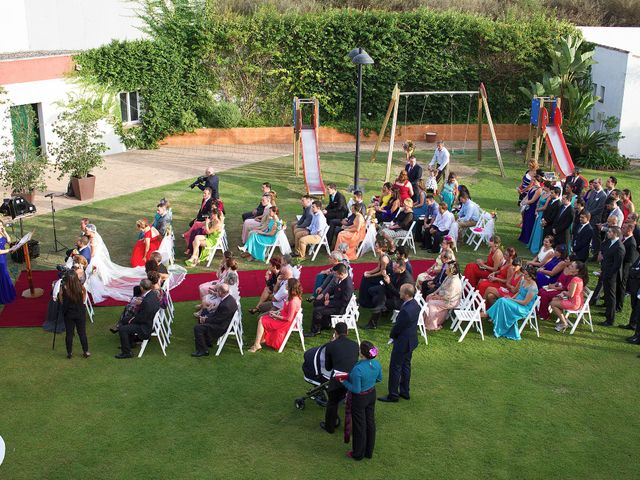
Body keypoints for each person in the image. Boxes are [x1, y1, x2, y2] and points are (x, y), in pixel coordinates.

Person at [338, 340, 382, 461]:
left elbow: (356, 390)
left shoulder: (358, 369)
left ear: (361, 353)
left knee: (359, 426)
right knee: (370, 422)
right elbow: (379, 379)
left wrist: (344, 381)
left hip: (360, 398)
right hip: (371, 394)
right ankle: (368, 451)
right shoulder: (376, 363)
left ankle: (357, 454)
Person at [378, 284, 419, 403]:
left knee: (395, 368)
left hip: (402, 343)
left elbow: (398, 327)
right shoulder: (415, 304)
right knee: (406, 366)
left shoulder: (406, 310)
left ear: (406, 294)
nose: (399, 293)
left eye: (401, 291)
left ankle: (393, 395)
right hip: (411, 341)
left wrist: (392, 336)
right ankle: (405, 392)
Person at [321, 322, 359, 434]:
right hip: (352, 378)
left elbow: (328, 367)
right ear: (347, 332)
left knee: (332, 402)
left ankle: (329, 427)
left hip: (339, 378)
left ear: (335, 333)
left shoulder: (331, 345)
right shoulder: (355, 344)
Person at [248, 278, 303, 352]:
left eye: (287, 284)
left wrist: (275, 316)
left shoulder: (293, 301)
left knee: (262, 320)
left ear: (290, 287)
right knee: (264, 317)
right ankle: (260, 340)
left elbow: (289, 318)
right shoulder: (293, 296)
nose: (285, 285)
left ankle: (257, 344)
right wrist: (276, 312)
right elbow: (285, 309)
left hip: (285, 323)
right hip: (283, 318)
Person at [485, 265, 539, 340]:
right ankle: (491, 317)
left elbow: (525, 303)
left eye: (526, 274)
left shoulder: (533, 288)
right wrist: (511, 298)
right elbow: (519, 292)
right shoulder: (524, 280)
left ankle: (488, 315)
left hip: (523, 308)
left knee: (503, 301)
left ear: (531, 276)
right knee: (503, 300)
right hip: (516, 302)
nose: (523, 275)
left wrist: (511, 300)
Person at [115, 279, 161, 358]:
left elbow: (142, 318)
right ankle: (128, 343)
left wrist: (130, 320)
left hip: (145, 326)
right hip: (148, 321)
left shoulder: (147, 301)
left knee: (123, 328)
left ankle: (127, 352)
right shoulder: (153, 294)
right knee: (125, 320)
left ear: (142, 288)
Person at [364, 259, 414, 330]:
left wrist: (389, 283)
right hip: (394, 294)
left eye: (394, 268)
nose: (393, 269)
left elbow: (399, 294)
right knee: (375, 292)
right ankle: (382, 310)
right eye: (393, 267)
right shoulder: (398, 272)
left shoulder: (406, 280)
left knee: (380, 302)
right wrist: (386, 277)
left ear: (401, 269)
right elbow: (392, 282)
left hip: (401, 301)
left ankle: (373, 322)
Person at [192, 283, 238, 357]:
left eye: (217, 291)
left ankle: (203, 350)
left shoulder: (225, 305)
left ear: (220, 292)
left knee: (198, 328)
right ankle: (207, 341)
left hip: (221, 327)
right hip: (224, 322)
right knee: (203, 314)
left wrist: (206, 320)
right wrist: (206, 317)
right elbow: (218, 316)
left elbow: (218, 320)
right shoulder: (229, 298)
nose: (217, 292)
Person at [307, 264, 353, 337]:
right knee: (317, 302)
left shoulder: (347, 285)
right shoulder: (341, 279)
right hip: (336, 301)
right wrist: (328, 293)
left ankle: (315, 331)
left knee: (317, 311)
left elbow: (344, 302)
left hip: (339, 308)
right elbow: (336, 288)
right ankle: (325, 323)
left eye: (335, 274)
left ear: (341, 274)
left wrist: (329, 303)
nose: (334, 275)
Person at [58, 270, 89, 359]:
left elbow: (61, 299)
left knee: (69, 333)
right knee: (82, 333)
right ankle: (85, 351)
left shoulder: (64, 288)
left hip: (69, 314)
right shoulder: (80, 286)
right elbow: (84, 297)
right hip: (80, 312)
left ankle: (69, 353)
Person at [549, 261, 588, 331]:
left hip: (574, 303)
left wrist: (563, 292)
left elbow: (571, 294)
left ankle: (564, 323)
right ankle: (562, 319)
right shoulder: (578, 278)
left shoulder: (575, 279)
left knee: (553, 304)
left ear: (577, 270)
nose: (570, 266)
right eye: (571, 265)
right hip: (574, 300)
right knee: (554, 299)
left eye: (572, 266)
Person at [599, 226, 625, 327]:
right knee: (608, 296)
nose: (608, 233)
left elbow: (616, 265)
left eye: (610, 232)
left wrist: (608, 275)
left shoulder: (619, 247)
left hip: (611, 276)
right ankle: (607, 313)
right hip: (606, 273)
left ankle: (610, 319)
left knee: (611, 297)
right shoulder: (611, 243)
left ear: (615, 234)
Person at [424, 262, 462, 330]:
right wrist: (434, 293)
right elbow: (441, 286)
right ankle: (429, 320)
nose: (445, 269)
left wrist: (438, 297)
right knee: (429, 297)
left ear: (451, 270)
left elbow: (449, 297)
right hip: (445, 297)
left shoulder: (454, 282)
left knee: (431, 303)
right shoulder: (449, 276)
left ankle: (432, 326)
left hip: (451, 301)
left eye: (447, 268)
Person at [358, 238, 391, 308]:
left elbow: (382, 273)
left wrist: (370, 276)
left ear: (381, 248)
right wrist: (368, 272)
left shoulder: (384, 258)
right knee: (365, 277)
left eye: (376, 246)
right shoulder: (381, 255)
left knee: (366, 280)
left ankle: (365, 302)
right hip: (381, 274)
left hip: (384, 278)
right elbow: (378, 268)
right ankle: (362, 300)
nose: (375, 248)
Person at [618, 223, 638, 311]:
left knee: (621, 287)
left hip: (625, 268)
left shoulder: (631, 243)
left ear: (629, 230)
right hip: (621, 267)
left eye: (624, 228)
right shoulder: (624, 239)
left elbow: (630, 259)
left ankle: (619, 306)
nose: (621, 229)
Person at [528, 181, 551, 254]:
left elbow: (545, 207)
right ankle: (532, 244)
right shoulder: (543, 193)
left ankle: (537, 246)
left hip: (542, 213)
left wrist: (538, 209)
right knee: (535, 228)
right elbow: (538, 202)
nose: (543, 187)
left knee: (539, 229)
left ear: (548, 187)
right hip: (538, 212)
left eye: (544, 186)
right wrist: (536, 208)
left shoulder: (549, 196)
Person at [585, 178, 607, 257]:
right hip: (588, 217)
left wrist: (589, 213)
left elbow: (599, 208)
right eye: (593, 183)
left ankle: (596, 253)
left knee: (595, 237)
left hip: (595, 219)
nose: (593, 184)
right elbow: (587, 203)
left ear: (600, 184)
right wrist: (586, 212)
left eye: (595, 183)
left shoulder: (603, 195)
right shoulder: (593, 192)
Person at [519, 177, 541, 245]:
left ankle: (528, 239)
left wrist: (525, 203)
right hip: (527, 207)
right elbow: (527, 196)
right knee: (525, 221)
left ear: (537, 180)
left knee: (529, 222)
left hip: (532, 207)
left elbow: (533, 200)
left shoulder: (539, 190)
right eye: (532, 180)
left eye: (534, 180)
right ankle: (523, 237)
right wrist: (522, 201)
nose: (532, 181)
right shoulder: (532, 187)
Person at [0, 221, 16, 304]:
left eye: (1, 225)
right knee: (3, 275)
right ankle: (3, 296)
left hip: (3, 258)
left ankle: (8, 293)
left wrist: (4, 231)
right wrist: (9, 250)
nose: (0, 227)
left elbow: (9, 241)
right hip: (0, 259)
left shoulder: (1, 233)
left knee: (4, 275)